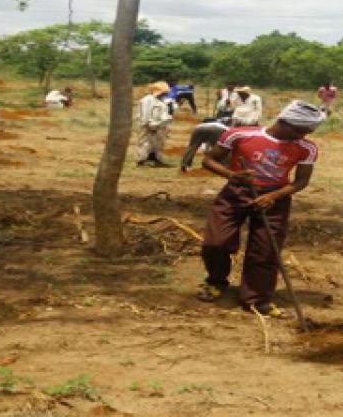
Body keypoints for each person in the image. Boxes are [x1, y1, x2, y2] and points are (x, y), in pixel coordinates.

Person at [198, 101, 325, 316]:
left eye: (307, 132)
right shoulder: (238, 135)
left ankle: (256, 298)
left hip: (275, 198)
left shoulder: (307, 148)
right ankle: (216, 281)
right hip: (236, 192)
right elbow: (208, 160)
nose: (302, 136)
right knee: (216, 242)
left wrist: (273, 196)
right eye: (300, 130)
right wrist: (232, 175)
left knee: (266, 249)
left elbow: (300, 181)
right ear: (284, 122)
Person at [137, 82, 173, 167]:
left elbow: (164, 113)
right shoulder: (147, 100)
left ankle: (156, 159)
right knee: (145, 143)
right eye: (163, 92)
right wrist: (148, 124)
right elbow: (144, 115)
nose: (165, 94)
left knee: (158, 143)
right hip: (148, 125)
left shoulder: (162, 101)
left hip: (160, 126)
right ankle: (142, 160)